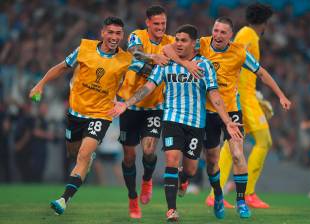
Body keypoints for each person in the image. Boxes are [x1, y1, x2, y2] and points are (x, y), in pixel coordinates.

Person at [109, 24, 243, 222]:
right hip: (172, 119)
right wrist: (126, 104)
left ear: (194, 44)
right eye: (177, 40)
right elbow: (148, 87)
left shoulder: (204, 65)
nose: (178, 44)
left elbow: (214, 96)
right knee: (171, 159)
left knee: (191, 169)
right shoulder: (166, 65)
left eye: (183, 40)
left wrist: (228, 121)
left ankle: (217, 194)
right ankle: (171, 210)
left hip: (197, 124)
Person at [163, 17, 291, 218]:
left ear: (231, 35)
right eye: (216, 30)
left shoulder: (239, 52)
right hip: (206, 113)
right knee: (212, 161)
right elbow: (168, 49)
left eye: (223, 32)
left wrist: (281, 95)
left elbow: (261, 73)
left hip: (231, 112)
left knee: (238, 154)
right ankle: (196, 183)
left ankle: (241, 201)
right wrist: (185, 64)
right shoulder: (201, 43)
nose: (218, 35)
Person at [29, 17, 142, 215]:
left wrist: (128, 101)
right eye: (110, 32)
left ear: (122, 36)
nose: (114, 37)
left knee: (83, 155)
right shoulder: (84, 49)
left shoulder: (126, 59)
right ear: (102, 33)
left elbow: (147, 78)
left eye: (118, 34)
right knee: (73, 153)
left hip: (101, 115)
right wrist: (41, 83)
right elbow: (62, 67)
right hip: (75, 113)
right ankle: (86, 162)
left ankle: (64, 199)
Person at [116, 5, 200, 219]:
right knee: (128, 156)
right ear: (148, 23)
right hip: (130, 104)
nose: (161, 27)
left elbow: (177, 55)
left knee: (150, 149)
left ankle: (147, 180)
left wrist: (184, 63)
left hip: (155, 106)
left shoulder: (171, 41)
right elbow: (135, 54)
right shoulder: (138, 36)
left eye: (163, 23)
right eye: (156, 24)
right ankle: (132, 198)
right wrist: (154, 58)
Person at [206, 3, 276, 209]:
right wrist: (250, 93)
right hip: (243, 98)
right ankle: (248, 193)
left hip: (247, 96)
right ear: (264, 22)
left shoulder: (248, 34)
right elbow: (234, 60)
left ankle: (214, 193)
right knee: (264, 141)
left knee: (231, 144)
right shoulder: (247, 34)